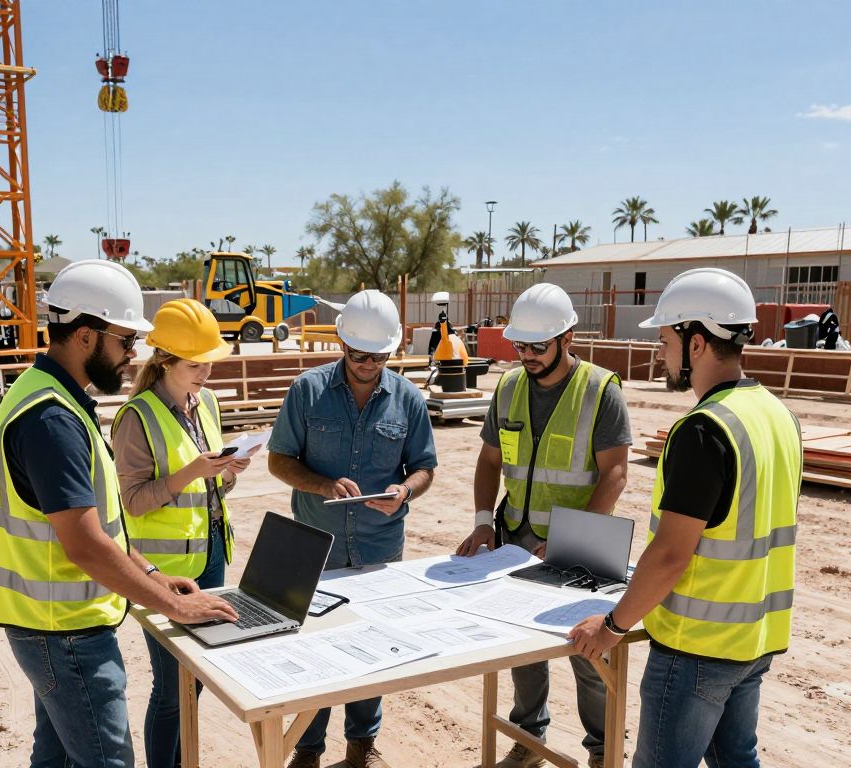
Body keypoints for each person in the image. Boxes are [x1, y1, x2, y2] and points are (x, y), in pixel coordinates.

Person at [0, 261, 238, 768]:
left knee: (56, 759)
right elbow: (85, 545)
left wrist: (153, 574)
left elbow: (101, 527)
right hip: (64, 631)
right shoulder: (52, 418)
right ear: (84, 336)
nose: (134, 353)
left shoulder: (47, 395)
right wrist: (173, 606)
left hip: (49, 624)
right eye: (125, 340)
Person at [569, 267, 801, 768]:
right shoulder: (779, 415)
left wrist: (611, 626)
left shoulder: (704, 430)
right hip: (754, 641)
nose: (660, 353)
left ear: (697, 342)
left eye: (665, 340)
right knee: (736, 760)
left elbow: (672, 553)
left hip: (697, 650)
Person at [455, 283, 632, 768]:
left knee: (589, 653)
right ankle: (528, 739)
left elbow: (615, 473)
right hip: (516, 538)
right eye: (520, 345)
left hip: (582, 550)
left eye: (538, 346)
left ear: (567, 337)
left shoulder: (600, 390)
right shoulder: (509, 387)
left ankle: (603, 753)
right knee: (521, 648)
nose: (527, 355)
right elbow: (490, 460)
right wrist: (482, 522)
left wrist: (569, 541)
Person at [268, 289, 438, 768]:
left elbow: (424, 467)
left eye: (378, 357)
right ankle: (308, 747)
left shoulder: (408, 399)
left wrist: (405, 491)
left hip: (379, 549)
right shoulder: (308, 390)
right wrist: (322, 485)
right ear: (342, 344)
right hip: (317, 547)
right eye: (359, 355)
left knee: (370, 646)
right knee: (313, 649)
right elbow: (279, 460)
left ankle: (362, 743)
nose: (368, 365)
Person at [112, 298, 254, 768]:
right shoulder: (136, 418)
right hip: (163, 572)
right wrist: (191, 471)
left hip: (211, 556)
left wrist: (228, 472)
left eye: (209, 362)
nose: (205, 373)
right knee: (172, 689)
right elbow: (133, 501)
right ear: (165, 360)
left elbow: (213, 488)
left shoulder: (205, 403)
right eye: (195, 364)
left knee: (198, 675)